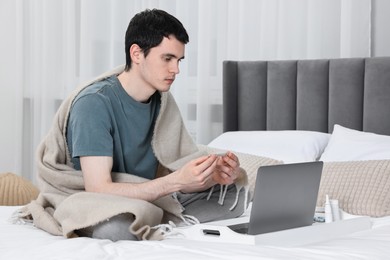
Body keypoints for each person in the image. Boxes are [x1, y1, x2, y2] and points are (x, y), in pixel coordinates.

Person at [27, 8, 248, 242]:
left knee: (236, 197)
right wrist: (177, 182)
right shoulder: (93, 103)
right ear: (137, 53)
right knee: (117, 229)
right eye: (167, 58)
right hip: (92, 197)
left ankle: (152, 216)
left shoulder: (162, 100)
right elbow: (98, 188)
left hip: (144, 192)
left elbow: (173, 168)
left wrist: (212, 176)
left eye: (179, 60)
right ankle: (151, 217)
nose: (176, 69)